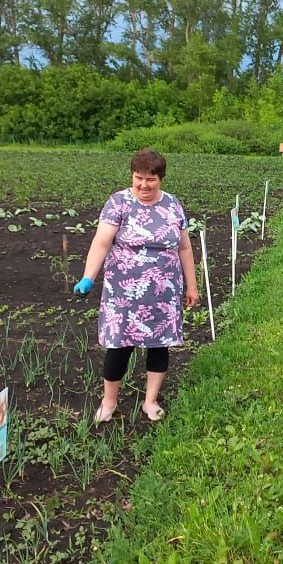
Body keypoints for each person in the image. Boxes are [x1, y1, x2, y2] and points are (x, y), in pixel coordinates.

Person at [73, 148, 200, 423]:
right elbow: (102, 241)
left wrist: (192, 285)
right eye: (138, 178)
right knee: (119, 346)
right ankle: (109, 401)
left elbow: (185, 248)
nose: (143, 184)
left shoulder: (173, 205)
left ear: (160, 179)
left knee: (159, 345)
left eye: (150, 179)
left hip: (163, 292)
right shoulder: (119, 203)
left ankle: (150, 400)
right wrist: (88, 276)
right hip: (124, 293)